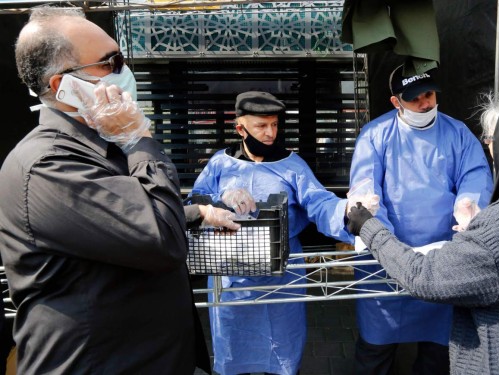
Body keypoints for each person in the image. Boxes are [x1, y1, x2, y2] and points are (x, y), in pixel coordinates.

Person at [0, 6, 210, 374]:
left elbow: (116, 223)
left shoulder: (102, 144)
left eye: (122, 58)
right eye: (109, 62)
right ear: (61, 86)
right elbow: (161, 238)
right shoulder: (48, 164)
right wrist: (140, 140)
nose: (123, 72)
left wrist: (199, 212)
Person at [346, 91, 499, 374]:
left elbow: (423, 277)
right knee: (379, 350)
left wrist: (369, 227)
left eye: (493, 140)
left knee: (432, 355)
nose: (490, 148)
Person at [189, 91, 370, 375]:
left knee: (282, 355)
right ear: (240, 128)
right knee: (234, 353)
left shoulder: (292, 165)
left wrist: (348, 212)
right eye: (261, 126)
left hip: (282, 275)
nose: (271, 133)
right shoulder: (221, 164)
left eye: (274, 124)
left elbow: (319, 203)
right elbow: (194, 204)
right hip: (233, 279)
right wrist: (220, 197)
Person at [348, 65, 494, 374]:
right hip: (384, 265)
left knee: (438, 354)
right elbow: (366, 192)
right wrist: (385, 241)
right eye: (415, 99)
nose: (425, 104)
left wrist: (469, 204)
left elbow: (476, 175)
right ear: (395, 102)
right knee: (376, 350)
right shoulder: (374, 136)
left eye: (429, 95)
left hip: (442, 261)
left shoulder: (457, 134)